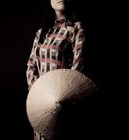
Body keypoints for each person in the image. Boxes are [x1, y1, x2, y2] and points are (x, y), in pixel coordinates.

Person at [26, 0, 85, 139]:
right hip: (41, 105)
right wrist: (39, 94)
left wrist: (58, 97)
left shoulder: (77, 29)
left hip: (65, 104)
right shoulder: (41, 33)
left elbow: (78, 69)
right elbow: (31, 66)